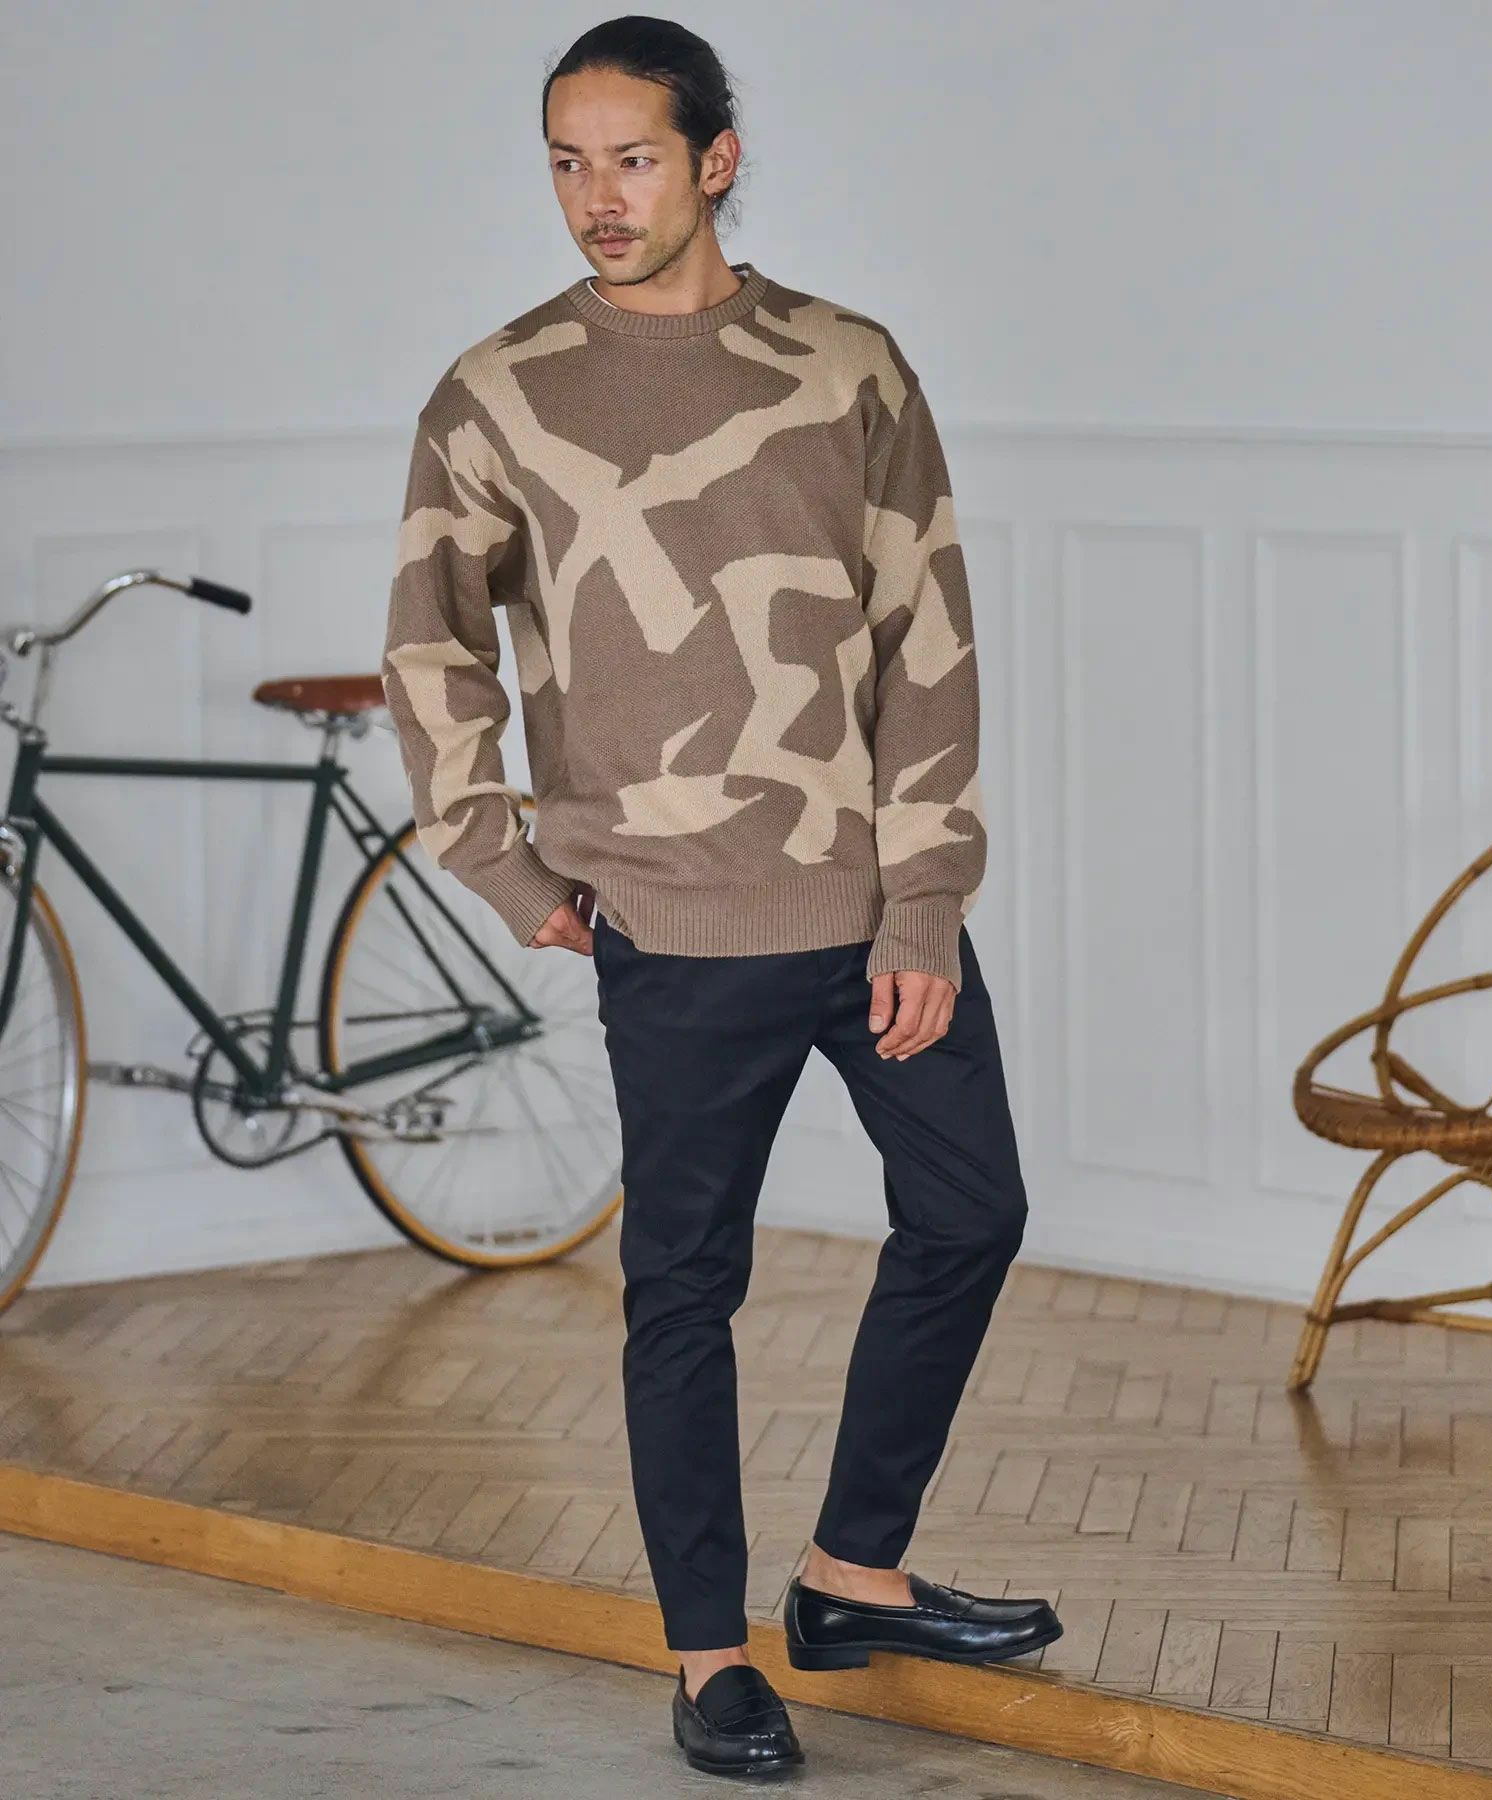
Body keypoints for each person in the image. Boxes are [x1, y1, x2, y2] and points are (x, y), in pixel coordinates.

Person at [381, 13, 1061, 1779]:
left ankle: (852, 1574)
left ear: (715, 160)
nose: (595, 198)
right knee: (684, 1291)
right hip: (671, 927)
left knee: (971, 1214)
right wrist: (500, 860)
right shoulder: (498, 392)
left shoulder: (849, 367)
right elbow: (431, 648)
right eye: (566, 162)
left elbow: (928, 641)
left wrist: (925, 901)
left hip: (872, 908)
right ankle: (708, 1656)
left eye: (631, 159)